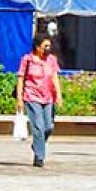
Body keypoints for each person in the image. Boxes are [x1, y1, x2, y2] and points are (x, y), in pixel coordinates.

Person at [16, 34, 63, 168]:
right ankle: (39, 157)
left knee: (49, 126)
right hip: (32, 96)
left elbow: (55, 77)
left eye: (49, 46)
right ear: (37, 47)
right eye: (45, 46)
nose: (48, 49)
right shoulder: (27, 59)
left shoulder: (52, 59)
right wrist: (19, 99)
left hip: (48, 97)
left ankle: (37, 144)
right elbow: (20, 78)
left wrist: (59, 95)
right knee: (38, 127)